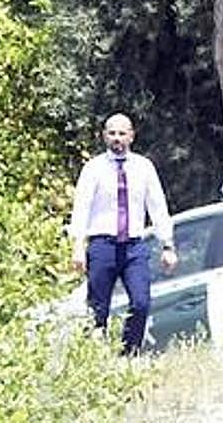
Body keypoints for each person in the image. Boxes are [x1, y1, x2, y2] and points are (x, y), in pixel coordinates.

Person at [70, 113, 178, 355]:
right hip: (102, 246)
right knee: (97, 309)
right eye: (112, 133)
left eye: (122, 133)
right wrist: (78, 245)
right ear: (104, 136)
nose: (117, 138)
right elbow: (82, 206)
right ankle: (95, 360)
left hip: (133, 247)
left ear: (131, 136)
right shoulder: (94, 168)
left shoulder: (143, 167)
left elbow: (157, 206)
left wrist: (167, 245)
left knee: (141, 303)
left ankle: (129, 355)